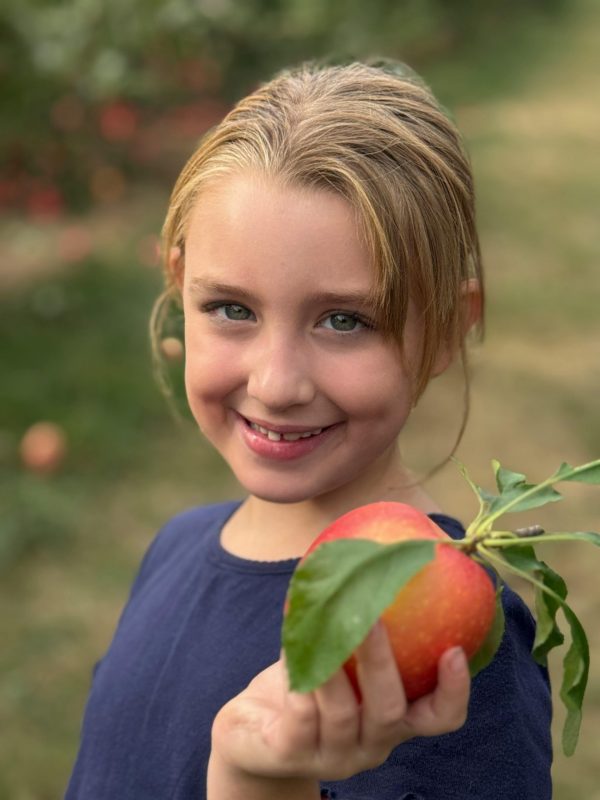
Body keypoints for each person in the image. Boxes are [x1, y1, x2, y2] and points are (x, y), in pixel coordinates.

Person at [65, 60, 553, 799]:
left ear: (450, 328)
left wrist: (256, 782)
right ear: (178, 281)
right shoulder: (176, 546)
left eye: (344, 320)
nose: (276, 383)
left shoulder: (448, 643)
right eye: (232, 308)